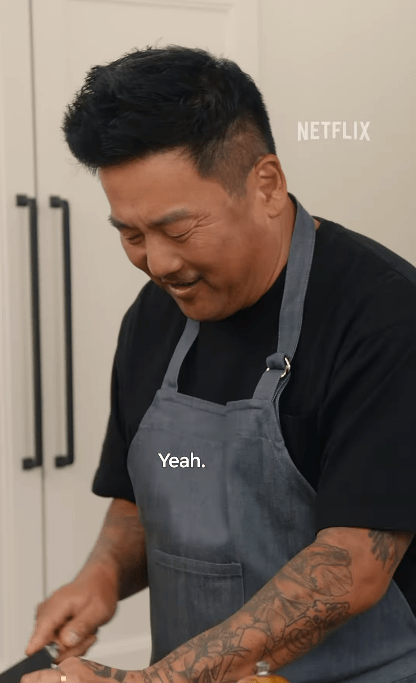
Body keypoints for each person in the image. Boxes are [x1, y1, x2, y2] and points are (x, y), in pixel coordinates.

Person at [23, 45, 416, 683]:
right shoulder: (154, 315)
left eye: (178, 231)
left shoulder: (385, 318)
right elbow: (143, 493)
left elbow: (353, 564)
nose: (156, 264)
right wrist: (99, 578)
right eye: (129, 234)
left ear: (266, 183)